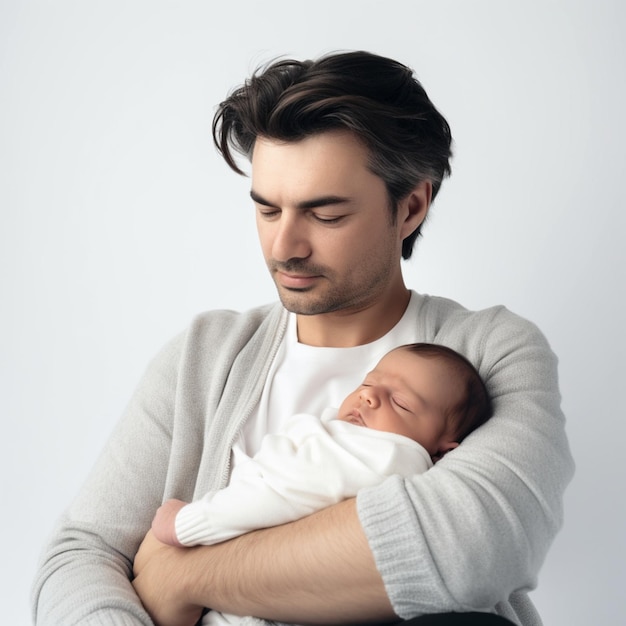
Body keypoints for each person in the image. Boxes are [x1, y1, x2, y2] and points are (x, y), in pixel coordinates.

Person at [32, 51, 574, 626]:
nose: (284, 246)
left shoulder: (490, 351)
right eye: (268, 210)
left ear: (411, 206)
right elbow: (80, 554)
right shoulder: (203, 356)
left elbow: (473, 543)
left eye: (326, 215)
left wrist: (185, 573)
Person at [151, 343, 492, 551]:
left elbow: (279, 493)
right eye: (369, 382)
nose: (368, 395)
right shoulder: (347, 438)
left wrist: (187, 523)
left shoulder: (387, 456)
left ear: (443, 452)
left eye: (401, 403)